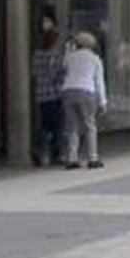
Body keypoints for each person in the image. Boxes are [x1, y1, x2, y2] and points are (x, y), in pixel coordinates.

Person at [60, 31, 107, 170]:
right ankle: (93, 157)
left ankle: (72, 158)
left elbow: (64, 68)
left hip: (68, 90)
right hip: (87, 90)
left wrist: (69, 49)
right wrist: (103, 101)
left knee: (72, 126)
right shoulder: (95, 59)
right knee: (90, 125)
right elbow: (99, 81)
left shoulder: (69, 57)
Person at [31, 15, 65, 166]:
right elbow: (54, 75)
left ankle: (38, 148)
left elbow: (34, 73)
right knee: (57, 125)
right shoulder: (53, 55)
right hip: (54, 94)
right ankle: (55, 152)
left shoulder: (37, 54)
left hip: (40, 94)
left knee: (44, 124)